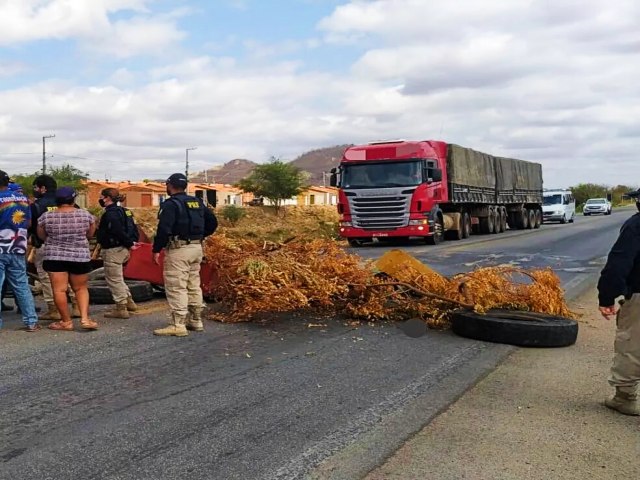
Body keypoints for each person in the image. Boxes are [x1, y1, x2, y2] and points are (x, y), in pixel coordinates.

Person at [152, 173, 217, 337]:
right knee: (193, 284)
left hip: (178, 249)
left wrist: (156, 249)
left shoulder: (170, 204)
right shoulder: (197, 202)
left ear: (169, 185)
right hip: (196, 248)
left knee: (176, 286)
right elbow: (212, 223)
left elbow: (164, 229)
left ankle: (178, 324)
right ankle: (196, 320)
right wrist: (200, 236)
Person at [597, 189, 640, 416]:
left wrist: (606, 297)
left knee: (631, 346)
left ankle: (625, 397)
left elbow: (618, 265)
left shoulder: (636, 226)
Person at [37, 187, 98, 331]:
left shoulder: (46, 216)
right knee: (81, 289)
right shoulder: (85, 215)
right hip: (79, 256)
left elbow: (41, 236)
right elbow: (90, 234)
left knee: (59, 290)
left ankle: (66, 321)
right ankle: (85, 319)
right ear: (73, 199)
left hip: (55, 256)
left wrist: (54, 242)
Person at [30, 174, 80, 321]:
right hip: (71, 246)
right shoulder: (69, 204)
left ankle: (53, 309)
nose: (35, 190)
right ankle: (76, 306)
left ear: (43, 188)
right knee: (70, 277)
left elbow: (33, 227)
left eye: (36, 187)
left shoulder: (37, 205)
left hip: (46, 246)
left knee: (47, 278)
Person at [0, 171, 40, 331]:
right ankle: (31, 321)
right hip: (18, 246)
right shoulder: (24, 199)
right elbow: (29, 223)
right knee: (22, 285)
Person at [96, 188, 139, 319]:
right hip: (123, 249)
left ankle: (121, 308)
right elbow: (134, 228)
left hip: (113, 249)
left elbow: (117, 230)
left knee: (113, 279)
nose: (100, 199)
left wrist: (129, 243)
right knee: (118, 278)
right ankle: (129, 302)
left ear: (107, 198)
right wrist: (131, 243)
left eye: (101, 196)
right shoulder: (125, 211)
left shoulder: (111, 214)